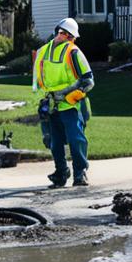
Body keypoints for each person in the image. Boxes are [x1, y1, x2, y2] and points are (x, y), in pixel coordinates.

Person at [33, 17, 94, 188]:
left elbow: (88, 81)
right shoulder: (42, 52)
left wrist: (68, 95)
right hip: (52, 105)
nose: (65, 37)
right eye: (62, 33)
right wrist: (42, 102)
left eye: (69, 35)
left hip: (72, 105)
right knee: (54, 142)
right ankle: (61, 173)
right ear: (57, 32)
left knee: (76, 140)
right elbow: (37, 82)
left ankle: (80, 174)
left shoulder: (74, 52)